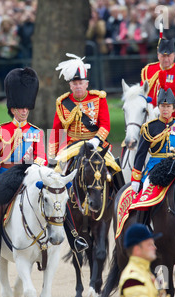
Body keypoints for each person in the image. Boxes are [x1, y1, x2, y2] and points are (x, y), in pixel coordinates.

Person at [49, 53, 121, 253]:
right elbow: (56, 131)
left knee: (114, 168)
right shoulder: (63, 103)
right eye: (75, 83)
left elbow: (105, 124)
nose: (78, 86)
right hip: (72, 145)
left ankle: (123, 203)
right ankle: (55, 212)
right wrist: (54, 154)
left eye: (81, 83)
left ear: (86, 83)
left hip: (96, 143)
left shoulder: (98, 99)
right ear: (70, 85)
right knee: (56, 176)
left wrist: (96, 140)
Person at [0, 67, 47, 264]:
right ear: (13, 109)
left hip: (28, 173)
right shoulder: (0, 131)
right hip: (6, 174)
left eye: (26, 108)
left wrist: (33, 162)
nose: (24, 111)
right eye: (21, 108)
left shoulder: (36, 132)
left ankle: (48, 243)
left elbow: (43, 158)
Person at [130, 88, 175, 195]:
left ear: (173, 108)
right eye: (163, 106)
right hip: (155, 167)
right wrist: (135, 179)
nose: (165, 109)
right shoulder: (149, 127)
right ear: (158, 107)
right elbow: (141, 154)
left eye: (168, 106)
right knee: (145, 193)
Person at [140, 36, 175, 123]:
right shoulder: (148, 70)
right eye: (163, 56)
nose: (166, 59)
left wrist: (165, 107)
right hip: (149, 116)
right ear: (158, 55)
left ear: (174, 55)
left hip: (174, 115)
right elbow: (143, 93)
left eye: (169, 56)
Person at [118, 223, 163, 297]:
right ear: (137, 250)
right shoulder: (133, 279)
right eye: (150, 245)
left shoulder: (145, 271)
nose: (155, 247)